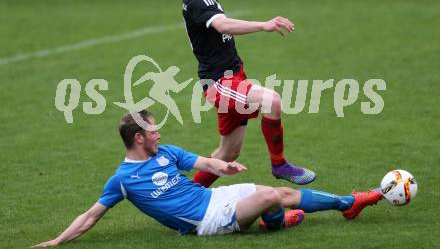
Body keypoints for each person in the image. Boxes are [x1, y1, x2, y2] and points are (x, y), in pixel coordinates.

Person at [33, 111, 382, 247]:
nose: (158, 134)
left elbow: (205, 161)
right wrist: (55, 241)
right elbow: (91, 215)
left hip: (215, 199)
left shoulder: (166, 152)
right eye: (152, 131)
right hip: (206, 221)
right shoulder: (123, 179)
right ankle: (272, 225)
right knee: (270, 199)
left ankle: (347, 204)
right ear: (138, 138)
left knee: (283, 192)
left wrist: (225, 168)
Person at [182, 0, 315, 188]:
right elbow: (223, 25)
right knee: (272, 101)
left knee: (228, 153)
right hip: (220, 83)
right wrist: (264, 25)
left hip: (232, 78)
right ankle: (280, 165)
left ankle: (187, 196)